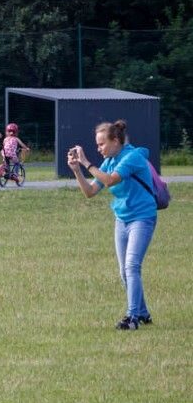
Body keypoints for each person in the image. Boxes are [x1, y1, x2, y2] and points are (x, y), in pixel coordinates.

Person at [67, 119, 161, 330]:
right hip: (122, 219)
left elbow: (110, 180)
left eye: (102, 144)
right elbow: (90, 192)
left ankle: (132, 317)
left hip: (142, 218)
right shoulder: (109, 162)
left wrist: (86, 163)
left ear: (116, 141)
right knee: (124, 271)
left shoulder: (132, 157)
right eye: (97, 145)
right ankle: (143, 313)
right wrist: (77, 170)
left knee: (132, 266)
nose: (98, 148)